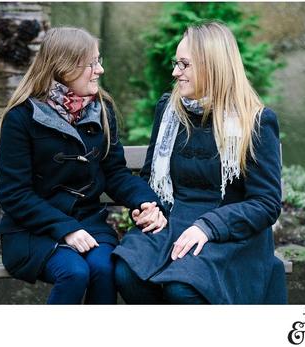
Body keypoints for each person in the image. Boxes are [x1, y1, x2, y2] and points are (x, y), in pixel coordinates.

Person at [113, 21, 288, 304]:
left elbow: (266, 203)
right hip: (173, 220)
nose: (174, 72)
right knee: (126, 272)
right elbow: (150, 178)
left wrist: (208, 227)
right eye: (176, 63)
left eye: (184, 65)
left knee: (182, 287)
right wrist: (149, 207)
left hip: (229, 233)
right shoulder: (169, 110)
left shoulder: (254, 121)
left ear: (212, 66)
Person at [0, 27, 167, 305]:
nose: (100, 70)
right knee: (73, 272)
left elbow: (115, 173)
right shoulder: (21, 117)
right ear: (65, 67)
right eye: (92, 63)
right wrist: (66, 229)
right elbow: (14, 194)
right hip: (32, 231)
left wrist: (145, 202)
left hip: (89, 225)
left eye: (99, 61)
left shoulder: (102, 110)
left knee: (104, 267)